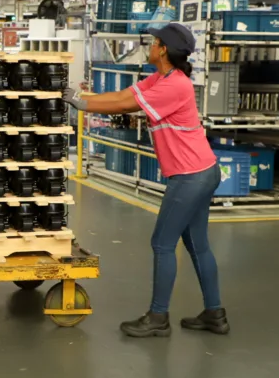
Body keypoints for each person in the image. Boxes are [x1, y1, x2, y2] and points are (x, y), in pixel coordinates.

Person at [62, 22, 229, 338]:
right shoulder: (162, 78)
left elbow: (125, 105)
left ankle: (158, 317)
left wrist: (79, 102)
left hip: (190, 175)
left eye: (154, 42)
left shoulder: (174, 86)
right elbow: (123, 94)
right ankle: (214, 314)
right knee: (197, 245)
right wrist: (83, 97)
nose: (149, 46)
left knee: (162, 243)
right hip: (203, 170)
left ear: (163, 49)